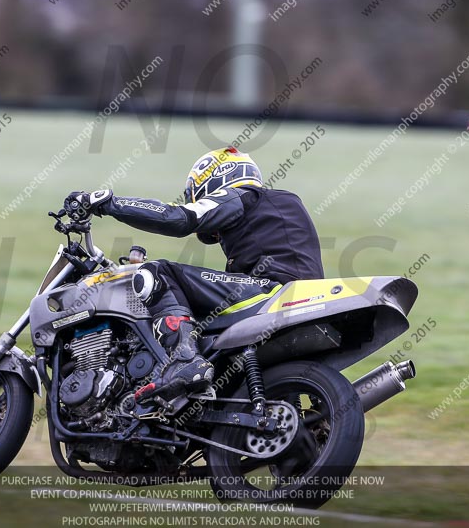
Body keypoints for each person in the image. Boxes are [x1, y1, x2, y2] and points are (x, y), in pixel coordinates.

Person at [64, 146, 323, 404]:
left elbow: (179, 218)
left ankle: (184, 359)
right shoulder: (280, 209)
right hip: (301, 305)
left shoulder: (241, 196)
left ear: (217, 177)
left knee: (157, 272)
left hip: (272, 292)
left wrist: (109, 203)